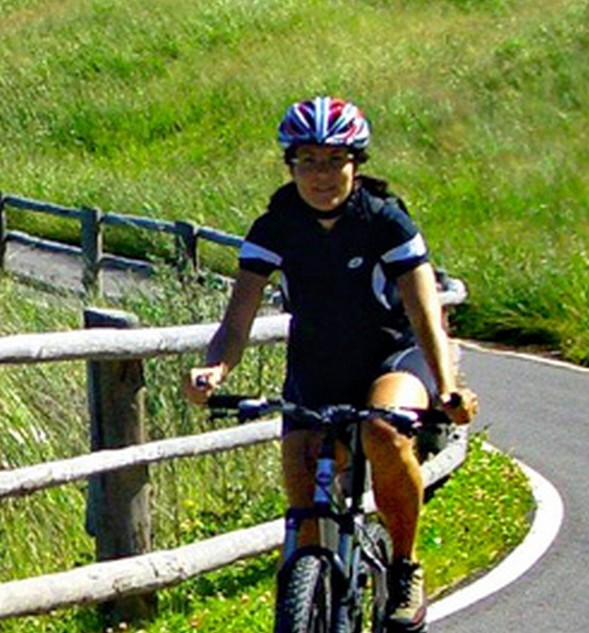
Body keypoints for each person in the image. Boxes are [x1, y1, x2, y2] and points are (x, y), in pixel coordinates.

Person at [182, 96, 480, 632]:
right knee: (305, 511)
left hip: (393, 358)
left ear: (356, 163)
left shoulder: (385, 223)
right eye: (308, 161)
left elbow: (424, 312)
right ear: (291, 165)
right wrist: (215, 371)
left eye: (334, 160)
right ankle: (308, 600)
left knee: (384, 432)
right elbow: (236, 321)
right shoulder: (275, 228)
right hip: (316, 369)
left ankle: (405, 565)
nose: (321, 174)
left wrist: (448, 386)